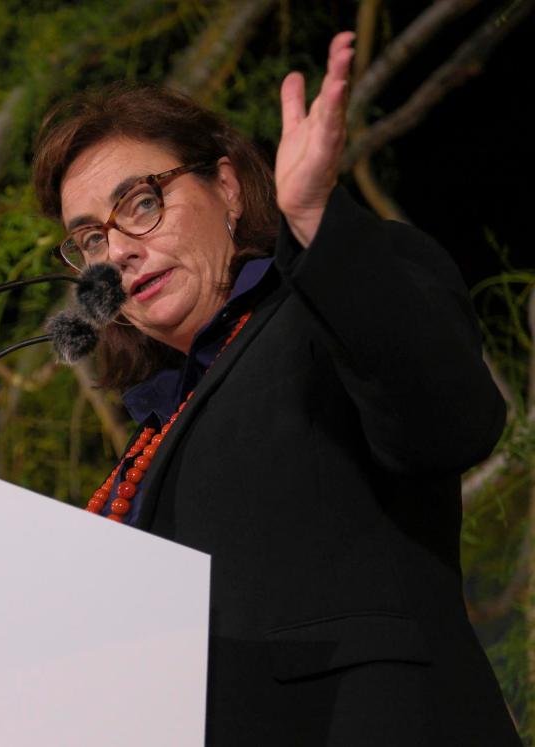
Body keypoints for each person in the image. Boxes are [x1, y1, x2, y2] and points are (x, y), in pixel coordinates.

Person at [33, 32, 521, 745]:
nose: (120, 251)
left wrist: (316, 220)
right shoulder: (152, 429)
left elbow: (451, 418)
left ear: (227, 188)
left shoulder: (326, 303)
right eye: (91, 239)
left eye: (139, 204)